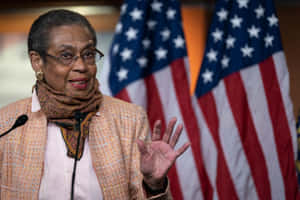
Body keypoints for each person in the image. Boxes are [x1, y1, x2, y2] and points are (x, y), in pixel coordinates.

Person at [0, 9, 189, 199]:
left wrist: (154, 185)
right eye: (66, 55)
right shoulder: (7, 123)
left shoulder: (129, 119)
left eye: (88, 54)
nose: (81, 66)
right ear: (37, 61)